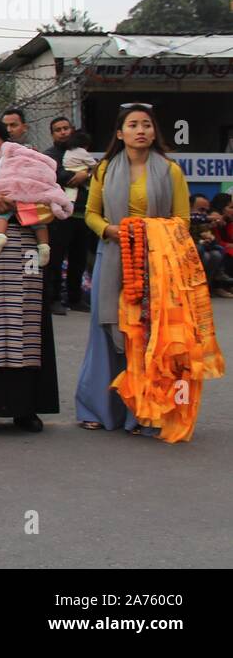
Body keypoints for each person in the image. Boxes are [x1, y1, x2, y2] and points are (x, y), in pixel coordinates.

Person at [74, 104, 190, 434]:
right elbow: (91, 213)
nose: (141, 130)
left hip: (157, 262)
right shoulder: (105, 169)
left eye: (147, 125)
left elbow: (181, 219)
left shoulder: (170, 171)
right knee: (106, 335)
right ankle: (97, 408)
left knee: (151, 336)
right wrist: (109, 230)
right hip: (112, 257)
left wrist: (153, 231)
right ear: (119, 133)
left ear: (155, 132)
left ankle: (145, 412)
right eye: (133, 125)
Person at [0, 117, 60, 431]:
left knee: (25, 324)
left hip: (26, 252)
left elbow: (50, 203)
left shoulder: (28, 167)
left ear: (6, 142)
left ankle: (25, 407)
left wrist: (17, 203)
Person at [0, 140, 71, 264]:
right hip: (33, 203)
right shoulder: (40, 163)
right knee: (40, 224)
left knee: (0, 216)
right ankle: (44, 246)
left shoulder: (6, 159)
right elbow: (50, 184)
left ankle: (0, 236)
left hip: (9, 197)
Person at [44, 118, 95, 314]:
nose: (63, 132)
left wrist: (87, 175)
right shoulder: (50, 155)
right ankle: (54, 298)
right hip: (59, 215)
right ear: (52, 134)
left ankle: (75, 298)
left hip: (82, 213)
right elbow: (60, 177)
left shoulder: (80, 152)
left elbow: (96, 170)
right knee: (56, 258)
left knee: (79, 258)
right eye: (58, 130)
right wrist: (81, 175)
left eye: (66, 128)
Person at [191, 195, 233, 298]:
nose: (204, 213)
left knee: (216, 254)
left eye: (206, 210)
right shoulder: (203, 218)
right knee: (207, 253)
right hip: (191, 246)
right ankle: (216, 285)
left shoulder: (215, 220)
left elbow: (212, 238)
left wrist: (209, 238)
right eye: (231, 207)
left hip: (208, 246)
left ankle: (206, 287)